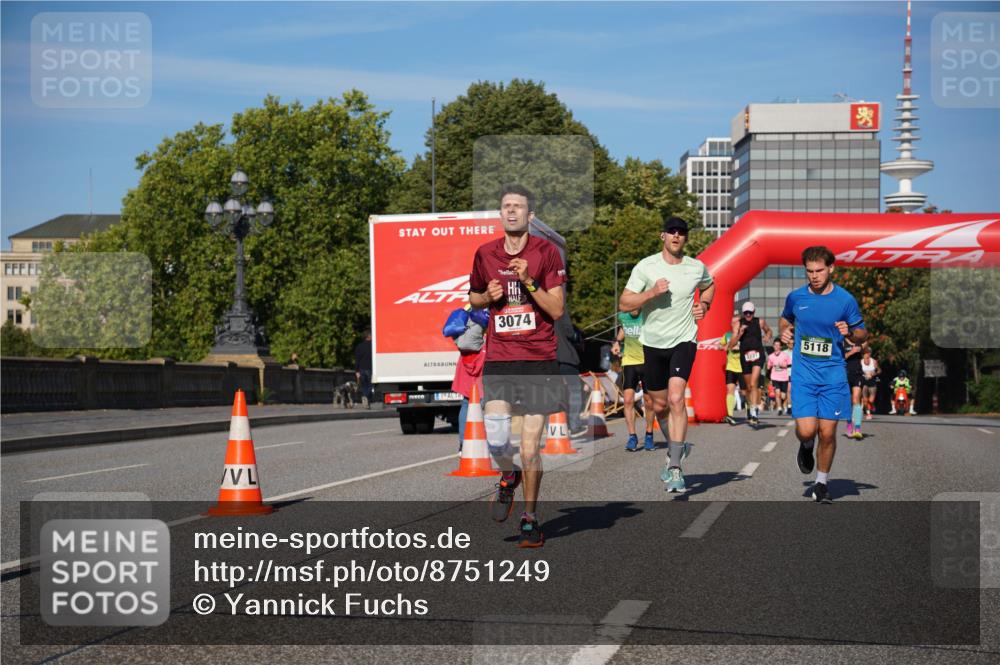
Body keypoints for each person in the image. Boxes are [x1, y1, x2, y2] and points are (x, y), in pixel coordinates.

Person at [468, 183, 566, 548]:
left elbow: (557, 309)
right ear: (500, 214)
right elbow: (473, 297)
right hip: (501, 357)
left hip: (538, 358)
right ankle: (508, 474)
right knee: (496, 439)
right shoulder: (484, 253)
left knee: (529, 448)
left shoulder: (546, 253)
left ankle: (530, 518)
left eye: (518, 206)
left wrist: (529, 281)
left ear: (530, 215)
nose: (511, 211)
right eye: (506, 206)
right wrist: (486, 296)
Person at [619, 216, 714, 493]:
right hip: (652, 343)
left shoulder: (696, 267)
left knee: (676, 398)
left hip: (684, 340)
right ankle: (677, 447)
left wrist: (704, 305)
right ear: (663, 236)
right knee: (659, 406)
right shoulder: (646, 266)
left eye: (681, 232)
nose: (676, 236)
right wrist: (650, 293)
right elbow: (624, 302)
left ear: (685, 238)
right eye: (671, 231)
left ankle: (674, 467)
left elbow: (709, 285)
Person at [780, 245, 867, 503]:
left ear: (831, 268)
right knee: (807, 431)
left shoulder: (845, 300)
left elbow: (862, 333)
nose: (814, 276)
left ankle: (821, 483)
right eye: (809, 271)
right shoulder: (796, 298)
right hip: (804, 375)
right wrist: (785, 331)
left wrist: (850, 333)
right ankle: (806, 445)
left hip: (833, 376)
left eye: (819, 271)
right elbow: (785, 319)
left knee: (827, 433)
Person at [444, 305, 489, 452]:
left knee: (466, 403)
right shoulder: (489, 309)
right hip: (483, 360)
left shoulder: (468, 308)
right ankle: (484, 442)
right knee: (486, 403)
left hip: (466, 361)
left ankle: (464, 443)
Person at [612, 309, 656, 451]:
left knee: (649, 401)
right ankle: (632, 437)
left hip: (647, 362)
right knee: (628, 400)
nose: (634, 308)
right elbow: (623, 328)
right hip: (629, 362)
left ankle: (649, 434)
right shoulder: (623, 316)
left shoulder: (648, 314)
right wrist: (617, 342)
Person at [730, 302, 773, 427]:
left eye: (750, 312)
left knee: (754, 383)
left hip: (758, 355)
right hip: (745, 356)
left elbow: (769, 331)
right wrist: (740, 334)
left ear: (754, 312)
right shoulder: (738, 324)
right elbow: (732, 344)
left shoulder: (760, 322)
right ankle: (751, 406)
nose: (748, 315)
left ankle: (754, 413)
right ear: (743, 313)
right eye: (746, 313)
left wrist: (767, 336)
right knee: (748, 388)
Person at [555, 313, 586, 435]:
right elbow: (569, 332)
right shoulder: (561, 311)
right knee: (575, 391)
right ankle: (574, 424)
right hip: (565, 356)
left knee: (555, 392)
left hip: (548, 357)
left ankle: (558, 423)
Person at [722, 322, 745, 425]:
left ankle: (751, 413)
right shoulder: (727, 335)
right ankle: (730, 415)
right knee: (730, 390)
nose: (735, 325)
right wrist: (728, 345)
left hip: (743, 367)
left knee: (745, 392)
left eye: (737, 323)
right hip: (730, 367)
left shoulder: (745, 335)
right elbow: (721, 346)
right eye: (734, 323)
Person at [844, 340, 865, 439]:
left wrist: (863, 348)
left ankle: (857, 428)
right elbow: (840, 358)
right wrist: (852, 352)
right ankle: (849, 425)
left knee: (856, 399)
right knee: (848, 402)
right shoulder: (842, 342)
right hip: (845, 374)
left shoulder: (859, 341)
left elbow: (867, 350)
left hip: (858, 374)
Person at [767, 340, 792, 416]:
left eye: (778, 345)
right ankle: (779, 409)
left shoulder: (785, 355)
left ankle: (786, 405)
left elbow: (790, 365)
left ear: (780, 347)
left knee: (783, 395)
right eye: (775, 345)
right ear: (773, 346)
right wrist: (769, 377)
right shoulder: (770, 356)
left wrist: (784, 366)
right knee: (777, 393)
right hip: (775, 377)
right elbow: (768, 367)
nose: (776, 346)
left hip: (784, 378)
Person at [354, 330, 373, 407]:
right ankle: (366, 397)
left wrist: (356, 371)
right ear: (368, 336)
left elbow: (357, 359)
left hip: (361, 369)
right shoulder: (373, 346)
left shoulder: (359, 346)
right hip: (370, 368)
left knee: (364, 385)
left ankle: (365, 398)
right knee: (371, 385)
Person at [861, 347, 880, 419]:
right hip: (864, 381)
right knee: (865, 400)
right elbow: (858, 370)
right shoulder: (860, 362)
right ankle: (868, 414)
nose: (867, 354)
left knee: (871, 400)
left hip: (872, 381)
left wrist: (873, 374)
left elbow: (879, 370)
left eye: (868, 352)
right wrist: (863, 374)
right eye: (865, 353)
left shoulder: (874, 361)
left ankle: (872, 405)